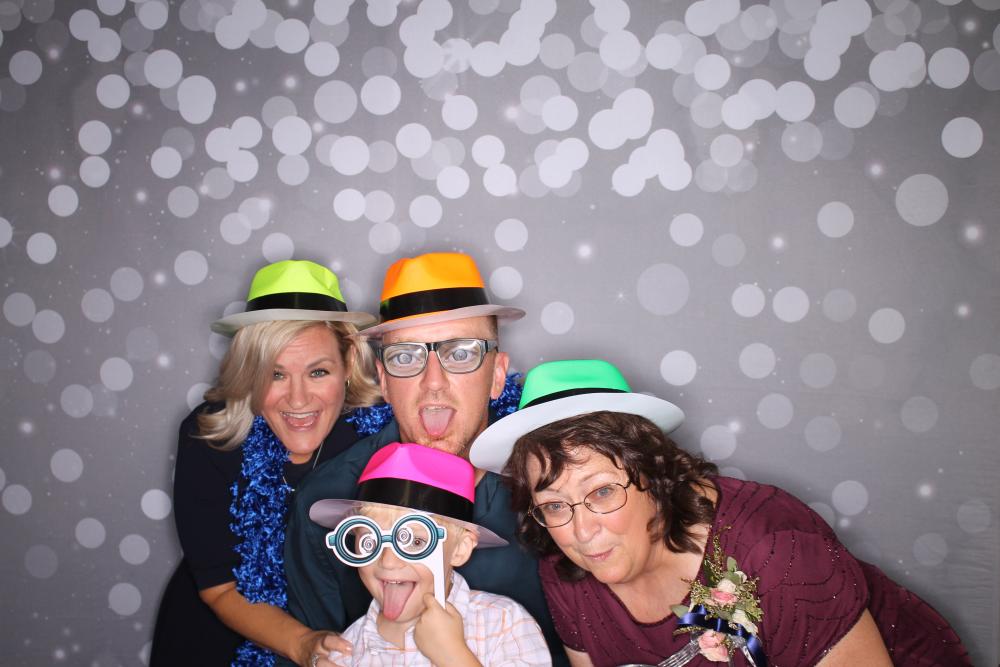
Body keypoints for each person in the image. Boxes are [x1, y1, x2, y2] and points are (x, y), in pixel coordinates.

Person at [470, 359, 971, 667]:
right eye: (554, 504)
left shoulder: (776, 551)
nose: (581, 530)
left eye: (602, 492)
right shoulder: (566, 566)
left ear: (654, 475)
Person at [283, 252, 568, 667]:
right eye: (405, 357)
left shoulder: (555, 485)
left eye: (461, 353)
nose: (433, 382)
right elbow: (322, 648)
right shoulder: (325, 497)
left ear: (497, 375)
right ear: (383, 380)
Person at [151, 260, 381, 667]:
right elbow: (220, 586)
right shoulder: (210, 436)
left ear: (348, 364)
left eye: (318, 372)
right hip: (215, 641)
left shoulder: (376, 436)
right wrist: (303, 644)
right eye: (275, 375)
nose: (298, 399)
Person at [308, 441, 551, 666]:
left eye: (414, 541)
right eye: (369, 541)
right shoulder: (347, 652)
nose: (388, 561)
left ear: (460, 548)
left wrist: (454, 657)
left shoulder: (504, 624)